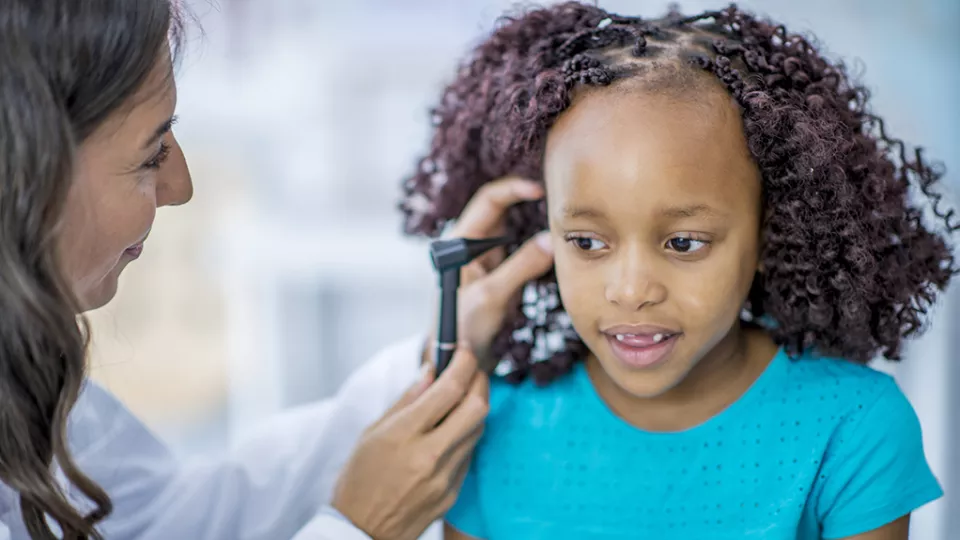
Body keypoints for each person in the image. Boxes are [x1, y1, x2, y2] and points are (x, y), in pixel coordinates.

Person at [398, 2, 958, 539]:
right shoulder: (491, 427)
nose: (631, 290)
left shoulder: (852, 430)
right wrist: (451, 355)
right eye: (587, 240)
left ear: (772, 230)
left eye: (684, 241)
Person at [0, 1, 554, 539]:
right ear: (29, 173)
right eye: (151, 156)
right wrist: (359, 529)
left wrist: (441, 351)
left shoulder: (25, 379)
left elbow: (171, 520)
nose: (181, 187)